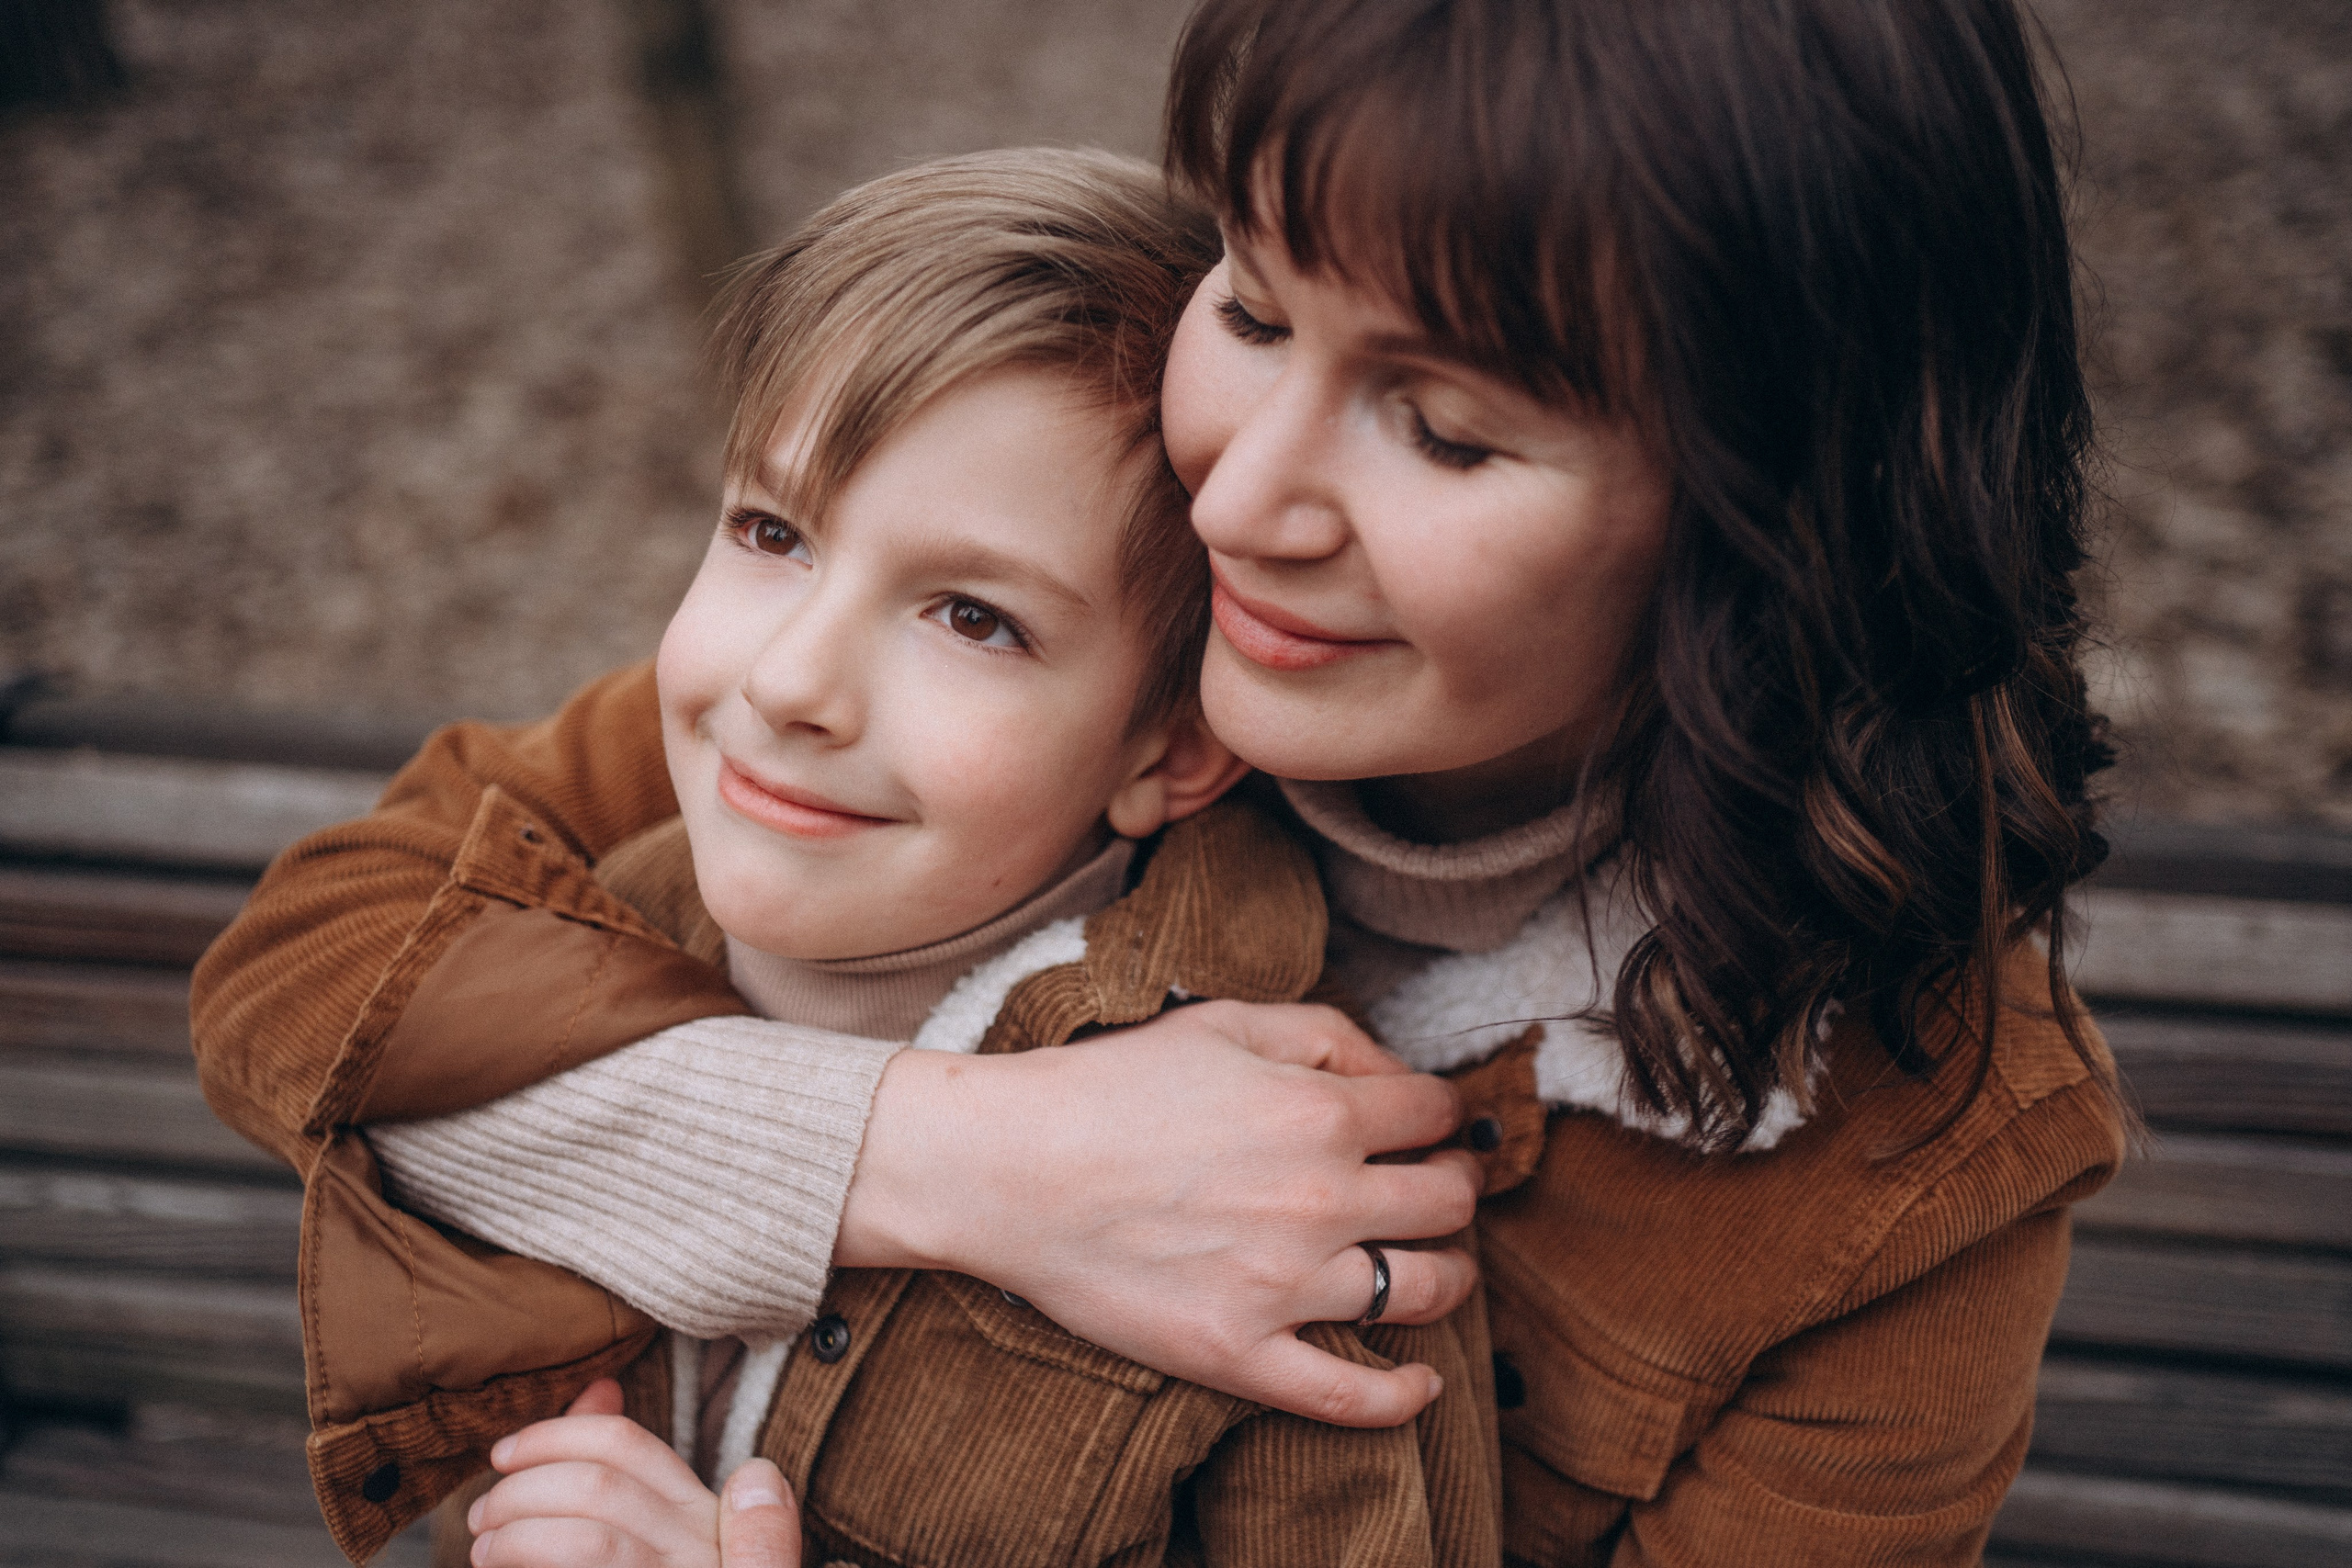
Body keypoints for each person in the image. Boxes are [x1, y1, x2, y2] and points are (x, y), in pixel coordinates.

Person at [191, 1, 2127, 1562]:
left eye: (1444, 431)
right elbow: (323, 962)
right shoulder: (1046, 655)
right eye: (1256, 311)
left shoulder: (1915, 1153)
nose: (1241, 496)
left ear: (1766, 519)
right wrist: (956, 1162)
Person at [375, 147, 1510, 1568]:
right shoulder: (572, 920)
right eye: (772, 531)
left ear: (1170, 752)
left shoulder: (1277, 1190)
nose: (791, 682)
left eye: (974, 617)